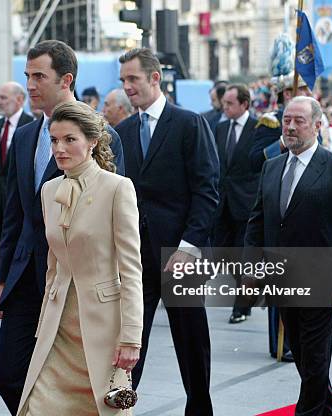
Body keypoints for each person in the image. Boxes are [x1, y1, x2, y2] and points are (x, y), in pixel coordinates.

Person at [0, 40, 125, 415]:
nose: (30, 85)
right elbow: (13, 216)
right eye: (27, 76)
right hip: (24, 277)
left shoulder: (99, 133)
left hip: (75, 280)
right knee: (9, 374)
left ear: (66, 79)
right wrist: (2, 278)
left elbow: (113, 213)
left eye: (39, 76)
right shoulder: (23, 136)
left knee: (81, 381)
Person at [16, 100, 142, 415]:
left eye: (70, 139)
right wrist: (45, 318)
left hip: (102, 328)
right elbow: (53, 266)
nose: (60, 148)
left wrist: (131, 337)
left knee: (102, 408)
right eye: (55, 140)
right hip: (58, 328)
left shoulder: (117, 188)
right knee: (38, 407)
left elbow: (131, 270)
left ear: (92, 141)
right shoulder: (49, 191)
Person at [116, 48, 219, 415]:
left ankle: (199, 409)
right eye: (123, 81)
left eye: (133, 79)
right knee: (129, 342)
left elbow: (207, 190)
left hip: (182, 255)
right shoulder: (121, 132)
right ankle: (121, 408)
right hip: (134, 259)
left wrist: (189, 246)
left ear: (155, 78)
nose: (127, 87)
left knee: (191, 342)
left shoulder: (189, 123)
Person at [245, 96, 332, 415]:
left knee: (315, 357)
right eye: (287, 121)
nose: (291, 127)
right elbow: (258, 219)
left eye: (299, 121)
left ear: (318, 126)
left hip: (320, 283)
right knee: (305, 357)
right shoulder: (272, 165)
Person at [213, 84, 259, 324]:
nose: (225, 107)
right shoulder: (220, 129)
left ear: (244, 104)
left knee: (244, 259)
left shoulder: (258, 128)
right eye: (225, 103)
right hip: (223, 204)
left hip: (247, 203)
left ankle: (241, 306)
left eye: (230, 103)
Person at [0, 82, 33, 272]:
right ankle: (0, 273)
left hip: (19, 197)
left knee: (15, 238)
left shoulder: (31, 125)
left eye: (3, 98)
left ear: (19, 100)